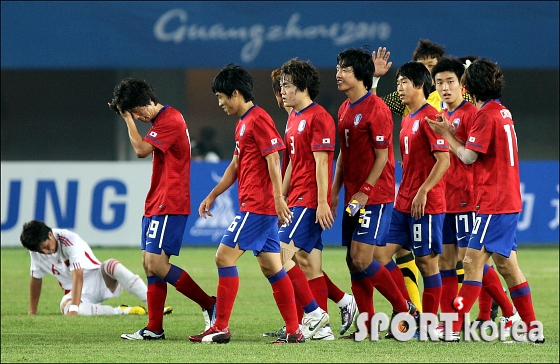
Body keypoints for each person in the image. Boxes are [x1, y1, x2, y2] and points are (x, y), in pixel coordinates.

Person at [427, 58, 544, 343]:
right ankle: (530, 328)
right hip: (507, 198)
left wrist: (445, 135)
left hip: (493, 200)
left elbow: (468, 157)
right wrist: (454, 133)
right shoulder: (501, 112)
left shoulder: (484, 115)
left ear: (468, 86)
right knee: (506, 265)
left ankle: (454, 325)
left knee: (471, 261)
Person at [189, 64, 303, 344]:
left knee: (223, 257)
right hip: (257, 207)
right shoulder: (243, 123)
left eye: (221, 97)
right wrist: (214, 194)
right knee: (272, 268)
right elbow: (237, 165)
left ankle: (221, 326)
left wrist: (278, 199)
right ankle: (294, 331)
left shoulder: (258, 119)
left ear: (236, 93)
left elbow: (274, 158)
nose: (220, 103)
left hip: (258, 207)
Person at [109, 78, 217, 340]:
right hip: (157, 200)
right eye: (133, 114)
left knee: (157, 263)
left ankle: (209, 303)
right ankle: (154, 328)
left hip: (170, 201)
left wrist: (127, 119)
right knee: (149, 263)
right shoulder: (161, 121)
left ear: (147, 102)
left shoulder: (170, 119)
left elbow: (140, 150)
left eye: (136, 111)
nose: (138, 117)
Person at [262, 67, 358, 339]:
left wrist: (323, 202)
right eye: (281, 85)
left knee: (278, 254)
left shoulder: (319, 117)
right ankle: (328, 321)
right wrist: (279, 196)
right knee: (308, 264)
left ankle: (314, 314)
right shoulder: (293, 118)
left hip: (309, 200)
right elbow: (292, 162)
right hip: (296, 198)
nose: (282, 91)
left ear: (303, 87)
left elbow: (322, 162)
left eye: (288, 85)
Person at [331, 48, 420, 340]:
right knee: (351, 261)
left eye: (344, 69)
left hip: (375, 197)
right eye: (338, 68)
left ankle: (404, 309)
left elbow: (383, 156)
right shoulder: (344, 109)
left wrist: (365, 192)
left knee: (362, 257)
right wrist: (334, 193)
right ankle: (367, 325)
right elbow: (343, 156)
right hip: (352, 198)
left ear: (359, 74)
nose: (338, 74)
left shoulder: (377, 109)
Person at [372, 61, 450, 335]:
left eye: (404, 82)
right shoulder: (407, 118)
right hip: (403, 202)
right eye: (398, 83)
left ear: (420, 85)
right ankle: (409, 309)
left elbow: (444, 160)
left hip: (425, 204)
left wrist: (423, 190)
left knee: (426, 263)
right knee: (377, 256)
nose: (400, 87)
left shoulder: (431, 117)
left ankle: (431, 324)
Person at [20, 220, 157, 316]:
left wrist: (74, 308)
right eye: (40, 250)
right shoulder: (36, 252)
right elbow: (36, 279)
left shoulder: (69, 240)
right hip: (75, 292)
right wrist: (32, 311)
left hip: (100, 279)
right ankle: (122, 311)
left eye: (45, 246)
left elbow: (78, 275)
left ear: (50, 234)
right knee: (66, 308)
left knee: (112, 265)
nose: (45, 252)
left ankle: (154, 305)